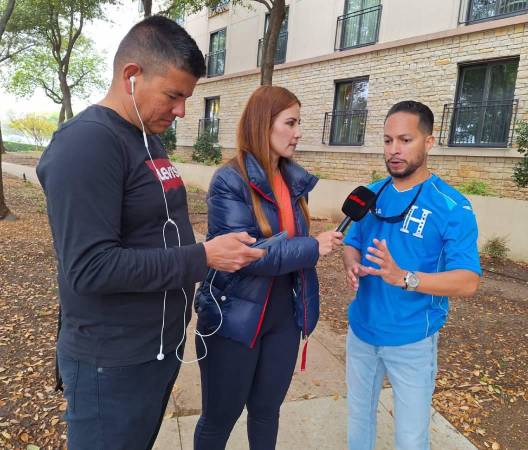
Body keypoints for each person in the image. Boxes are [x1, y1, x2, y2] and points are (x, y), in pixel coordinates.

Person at [36, 16, 264, 450]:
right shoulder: (86, 145)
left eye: (186, 98)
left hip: (156, 350)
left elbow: (157, 226)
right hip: (112, 363)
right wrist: (203, 257)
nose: (180, 111)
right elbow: (90, 268)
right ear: (131, 76)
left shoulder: (146, 138)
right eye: (173, 95)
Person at [193, 85, 343, 450]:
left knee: (266, 412)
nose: (298, 132)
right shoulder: (230, 180)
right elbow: (246, 254)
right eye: (290, 122)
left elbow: (286, 247)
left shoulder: (295, 182)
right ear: (264, 124)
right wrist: (311, 246)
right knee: (219, 419)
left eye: (299, 123)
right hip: (234, 319)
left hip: (283, 319)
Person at [342, 100, 482, 449]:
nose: (394, 150)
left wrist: (406, 277)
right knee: (359, 419)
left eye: (405, 140)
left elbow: (468, 281)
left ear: (428, 142)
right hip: (361, 332)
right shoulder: (370, 194)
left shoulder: (452, 206)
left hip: (412, 341)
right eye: (388, 141)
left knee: (410, 436)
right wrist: (351, 263)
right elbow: (351, 241)